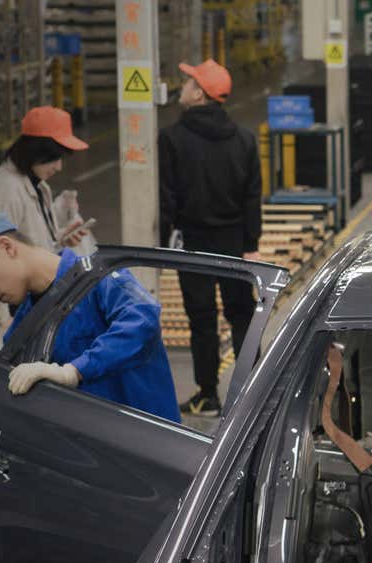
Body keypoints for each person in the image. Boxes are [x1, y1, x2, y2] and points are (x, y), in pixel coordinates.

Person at [0, 212, 179, 422]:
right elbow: (9, 393)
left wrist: (73, 371)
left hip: (151, 449)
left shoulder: (99, 279)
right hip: (96, 458)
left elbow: (142, 321)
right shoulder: (24, 329)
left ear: (7, 247)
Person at [158, 58, 263, 417]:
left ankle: (208, 394)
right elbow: (252, 196)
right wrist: (250, 243)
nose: (182, 87)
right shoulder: (245, 139)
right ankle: (251, 392)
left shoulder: (172, 139)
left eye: (188, 83)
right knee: (242, 314)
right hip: (233, 239)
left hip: (194, 242)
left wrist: (162, 248)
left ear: (199, 93)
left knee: (201, 320)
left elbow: (167, 198)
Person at [0, 106, 93, 329]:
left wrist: (61, 240)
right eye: (54, 158)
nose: (59, 167)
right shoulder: (6, 191)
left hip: (36, 308)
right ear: (36, 151)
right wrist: (4, 321)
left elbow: (28, 243)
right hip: (16, 315)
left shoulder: (36, 185)